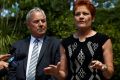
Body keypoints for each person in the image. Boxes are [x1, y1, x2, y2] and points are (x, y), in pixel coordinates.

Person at [44, 0, 114, 80]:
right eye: (77, 14)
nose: (81, 16)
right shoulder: (65, 43)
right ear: (74, 18)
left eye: (85, 13)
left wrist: (103, 67)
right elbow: (63, 75)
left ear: (93, 18)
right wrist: (57, 73)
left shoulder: (104, 40)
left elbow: (109, 74)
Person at [7, 7, 60, 80]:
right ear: (28, 25)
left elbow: (58, 72)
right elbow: (11, 70)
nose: (41, 24)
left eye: (43, 21)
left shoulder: (56, 44)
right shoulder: (17, 46)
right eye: (36, 21)